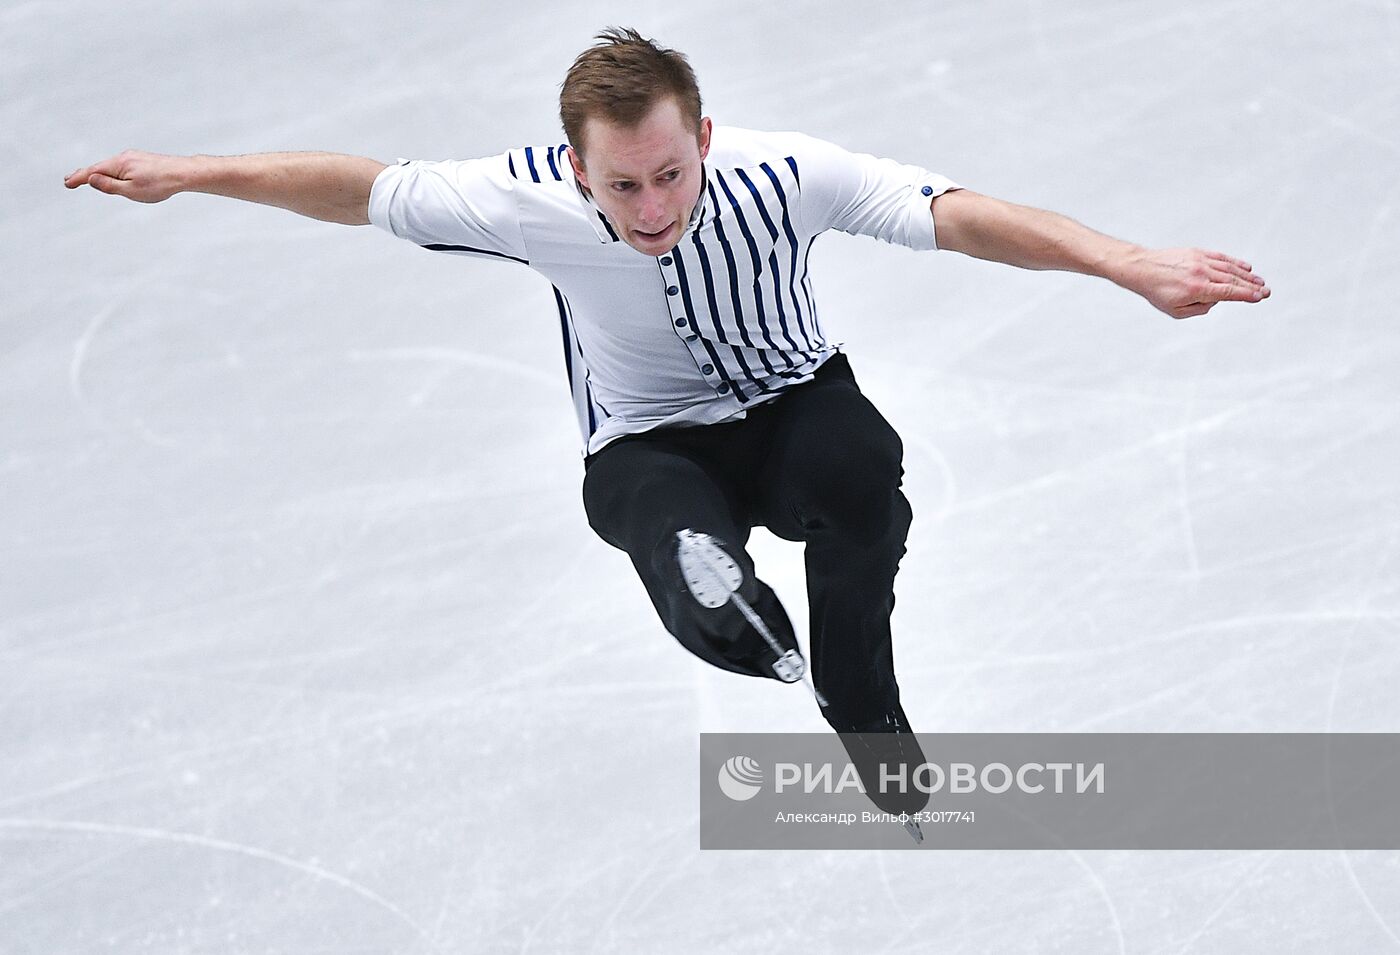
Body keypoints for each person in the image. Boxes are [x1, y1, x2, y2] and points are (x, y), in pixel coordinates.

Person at [65, 27, 1269, 823]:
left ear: (701, 137)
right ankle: (723, 602)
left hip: (794, 402)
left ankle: (854, 695)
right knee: (677, 552)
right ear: (577, 167)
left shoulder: (781, 171)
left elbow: (955, 214)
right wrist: (194, 170)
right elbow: (356, 186)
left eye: (668, 174)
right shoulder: (522, 197)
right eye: (619, 185)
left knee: (862, 468)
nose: (650, 208)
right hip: (646, 445)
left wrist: (1124, 263)